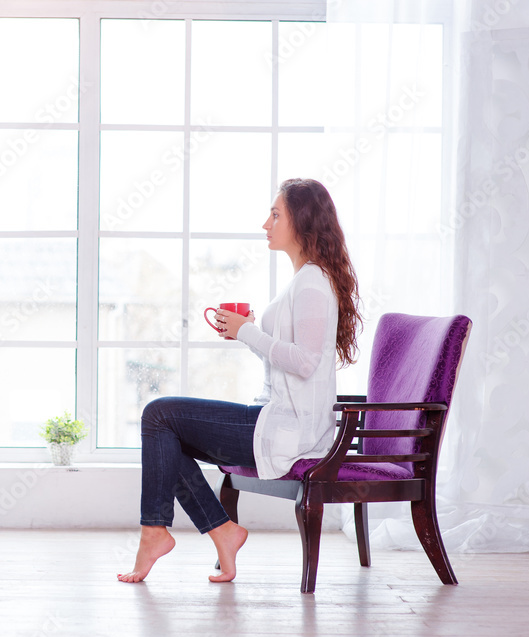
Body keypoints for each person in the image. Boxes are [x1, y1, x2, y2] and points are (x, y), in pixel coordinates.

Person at [117, 178, 361, 584]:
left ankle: (158, 531)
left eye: (276, 215)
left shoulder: (312, 284)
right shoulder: (306, 280)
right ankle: (221, 532)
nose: (266, 224)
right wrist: (246, 333)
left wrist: (247, 331)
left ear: (302, 220)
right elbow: (290, 361)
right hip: (276, 419)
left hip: (288, 431)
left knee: (159, 416)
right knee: (166, 434)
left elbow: (305, 363)